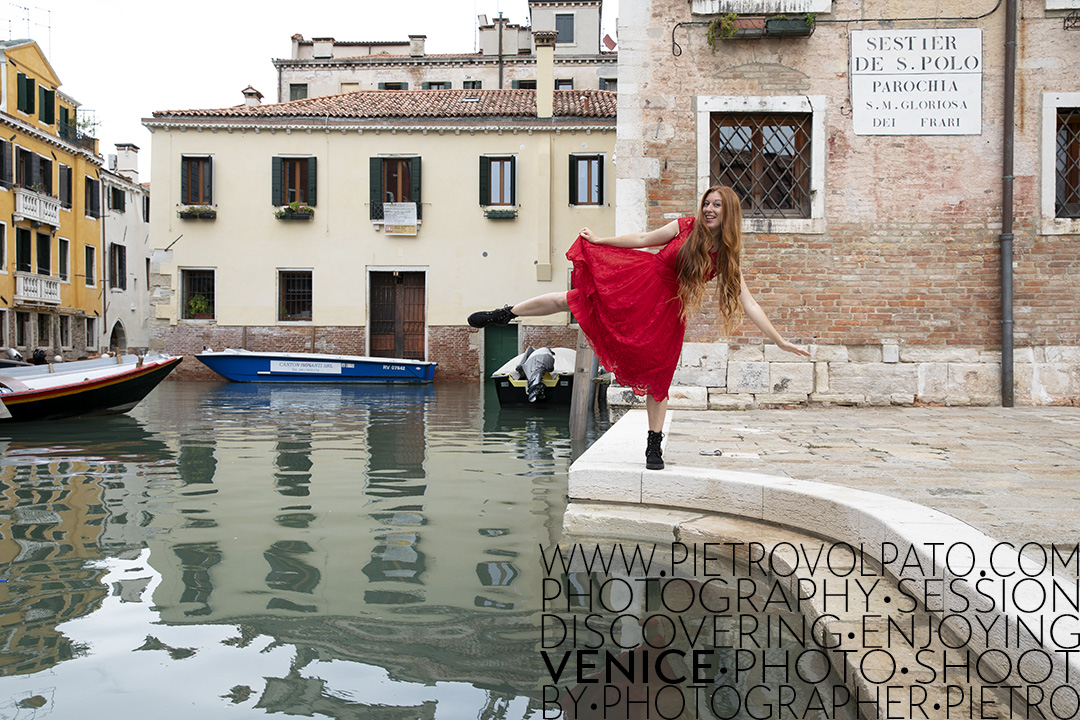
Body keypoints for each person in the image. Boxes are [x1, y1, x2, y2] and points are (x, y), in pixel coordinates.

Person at [468, 185, 810, 470]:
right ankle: (504, 313)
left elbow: (748, 303)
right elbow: (644, 238)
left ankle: (654, 446)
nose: (708, 208)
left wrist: (779, 341)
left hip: (666, 311)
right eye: (707, 202)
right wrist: (602, 241)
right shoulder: (686, 226)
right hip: (637, 281)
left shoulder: (727, 257)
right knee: (570, 299)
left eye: (716, 205)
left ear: (729, 212)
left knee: (660, 378)